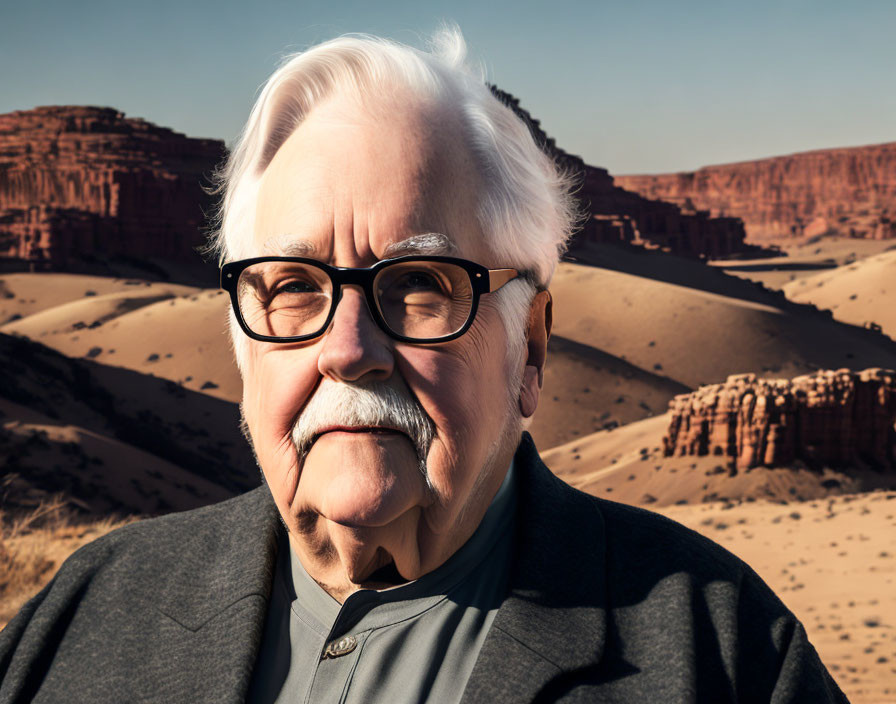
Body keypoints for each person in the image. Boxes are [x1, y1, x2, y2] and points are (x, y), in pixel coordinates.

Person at [0, 29, 846, 703]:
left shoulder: (720, 654)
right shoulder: (89, 613)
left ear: (532, 347)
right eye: (292, 288)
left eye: (418, 288)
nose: (347, 351)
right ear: (240, 341)